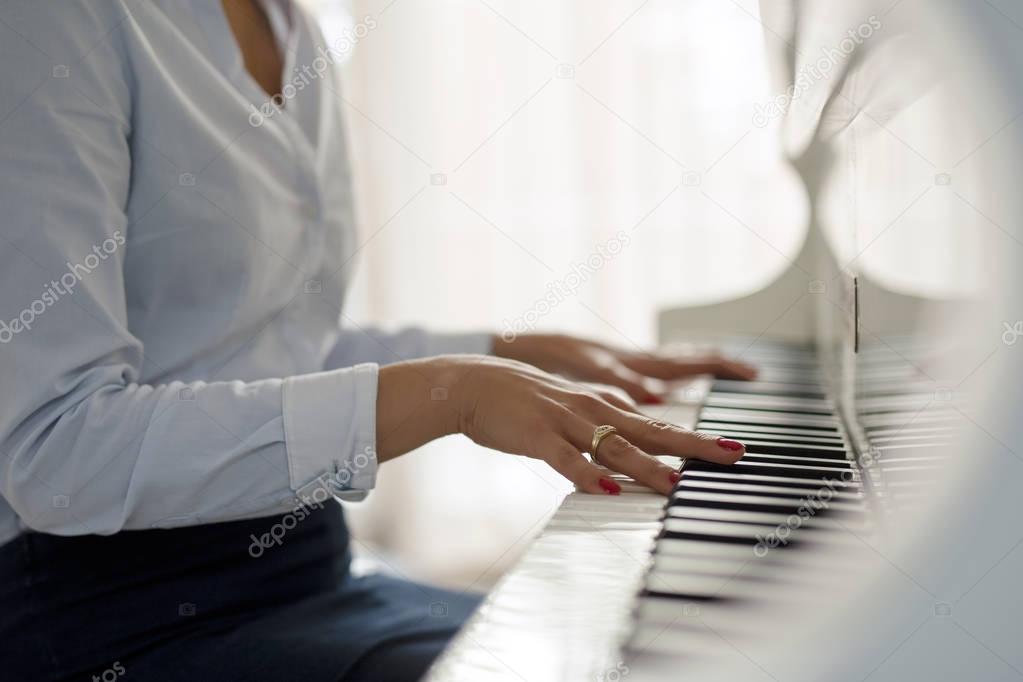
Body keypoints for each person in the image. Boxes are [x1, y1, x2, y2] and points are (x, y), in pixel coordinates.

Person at [0, 1, 756, 680]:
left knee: (672, 649)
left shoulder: (293, 27)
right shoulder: (52, 22)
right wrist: (450, 394)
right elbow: (56, 448)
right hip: (106, 619)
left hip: (304, 576)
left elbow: (264, 350)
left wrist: (502, 352)